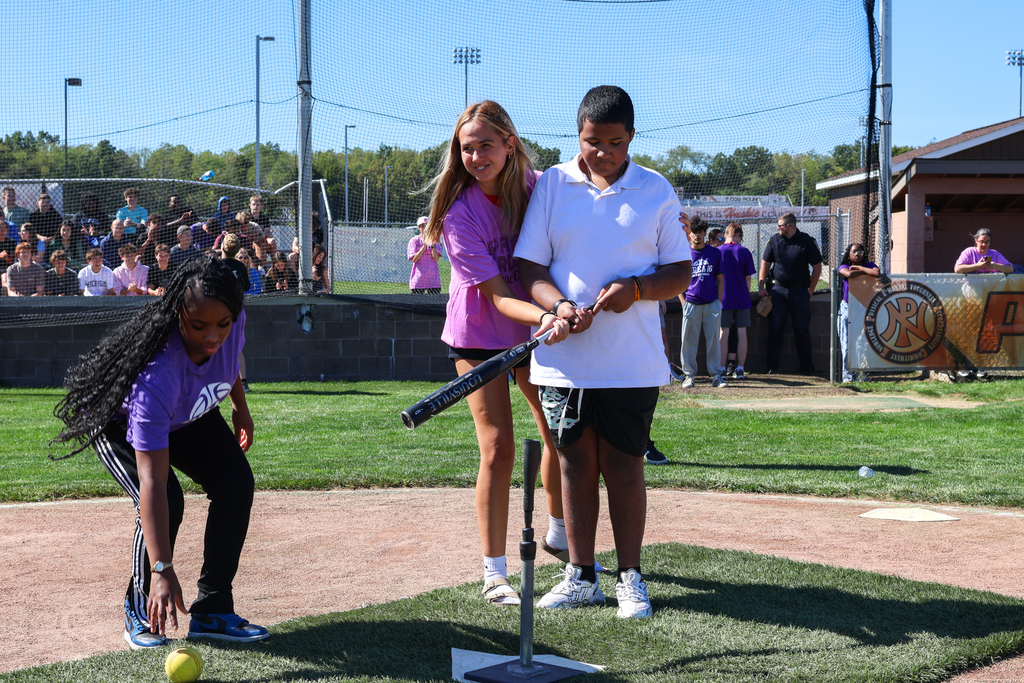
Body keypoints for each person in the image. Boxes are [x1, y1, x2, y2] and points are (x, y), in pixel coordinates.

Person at [515, 85, 692, 619]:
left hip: (631, 361)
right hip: (562, 360)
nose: (603, 152)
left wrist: (635, 290)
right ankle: (581, 575)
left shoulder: (656, 189)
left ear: (632, 137)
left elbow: (679, 272)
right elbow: (530, 267)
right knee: (572, 464)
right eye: (593, 142)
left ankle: (630, 578)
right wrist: (557, 307)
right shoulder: (552, 183)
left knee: (623, 466)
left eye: (615, 142)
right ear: (579, 136)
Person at [51, 257, 270, 650]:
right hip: (121, 420)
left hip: (185, 413)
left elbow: (229, 358)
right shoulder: (157, 375)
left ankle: (213, 610)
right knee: (166, 497)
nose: (212, 336)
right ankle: (140, 609)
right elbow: (151, 480)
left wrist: (241, 408)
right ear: (176, 311)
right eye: (198, 325)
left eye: (222, 324)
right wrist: (162, 568)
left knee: (236, 483)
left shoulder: (230, 320)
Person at [423, 99, 572, 607]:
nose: (476, 156)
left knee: (559, 435)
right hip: (480, 333)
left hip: (537, 329)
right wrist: (549, 316)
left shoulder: (538, 189)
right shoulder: (458, 214)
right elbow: (499, 297)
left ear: (510, 144)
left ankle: (558, 533)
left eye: (486, 144)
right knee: (499, 448)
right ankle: (494, 573)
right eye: (467, 148)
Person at [758, 213, 822, 375]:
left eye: (780, 226)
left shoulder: (806, 241)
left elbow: (817, 266)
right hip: (778, 290)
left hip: (800, 291)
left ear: (789, 227)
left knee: (802, 330)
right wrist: (761, 285)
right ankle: (773, 368)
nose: (777, 229)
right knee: (775, 329)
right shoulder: (774, 240)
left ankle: (807, 369)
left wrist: (811, 290)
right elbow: (765, 263)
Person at [678, 216, 726, 388]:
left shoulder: (715, 253)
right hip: (690, 303)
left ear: (705, 234)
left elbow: (720, 279)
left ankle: (716, 376)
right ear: (689, 234)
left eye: (700, 232)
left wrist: (718, 302)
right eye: (693, 232)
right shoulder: (683, 252)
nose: (696, 236)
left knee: (713, 342)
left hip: (711, 303)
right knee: (688, 342)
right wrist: (683, 302)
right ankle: (689, 376)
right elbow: (678, 280)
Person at [718, 222, 756, 380]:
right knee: (742, 332)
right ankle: (740, 369)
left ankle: (721, 368)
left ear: (726, 234)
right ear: (739, 235)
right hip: (741, 298)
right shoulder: (745, 252)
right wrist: (746, 295)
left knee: (723, 333)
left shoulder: (718, 251)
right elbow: (748, 278)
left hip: (723, 298)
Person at [837, 243, 879, 383]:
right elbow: (848, 274)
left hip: (863, 309)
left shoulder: (870, 264)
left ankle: (861, 376)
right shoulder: (844, 266)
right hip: (847, 308)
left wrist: (860, 268)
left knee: (861, 344)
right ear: (848, 253)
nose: (857, 254)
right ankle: (847, 377)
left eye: (860, 252)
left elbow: (876, 273)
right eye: (854, 252)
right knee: (847, 345)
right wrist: (864, 271)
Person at [408, 216, 442, 293]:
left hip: (433, 280)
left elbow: (436, 258)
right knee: (418, 303)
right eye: (422, 226)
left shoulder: (435, 240)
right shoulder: (414, 241)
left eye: (427, 225)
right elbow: (414, 259)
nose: (424, 228)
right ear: (418, 228)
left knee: (433, 303)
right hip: (418, 279)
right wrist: (423, 247)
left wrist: (432, 246)